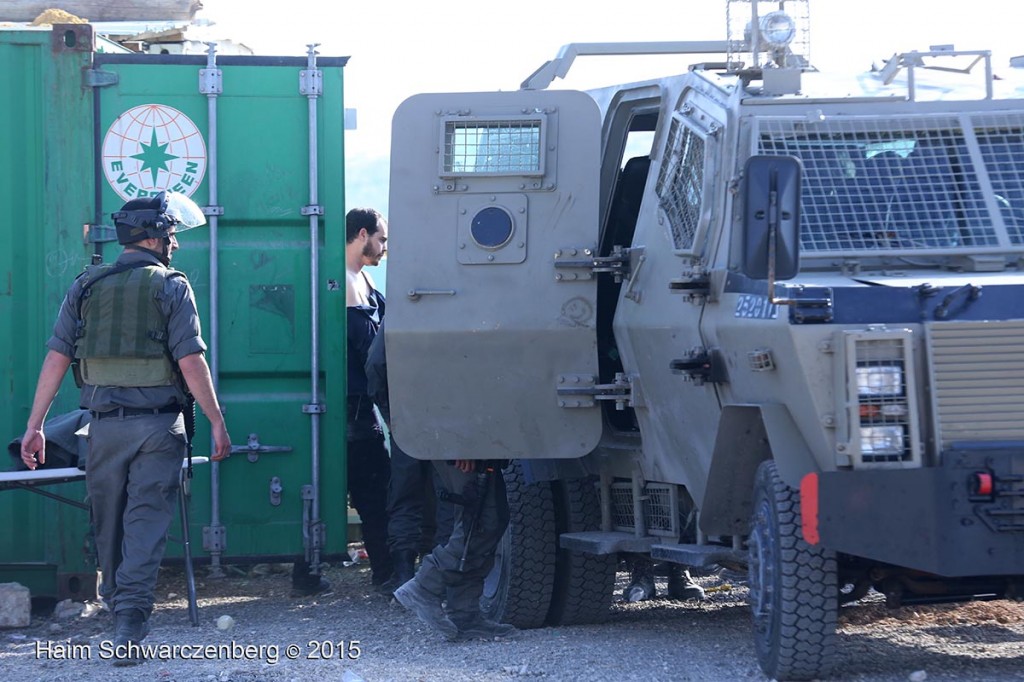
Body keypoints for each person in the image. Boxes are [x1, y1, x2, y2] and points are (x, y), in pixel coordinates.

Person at [19, 191, 232, 666]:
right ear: (153, 236)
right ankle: (129, 623)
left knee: (108, 527)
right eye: (171, 233)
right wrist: (217, 421)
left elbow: (57, 357)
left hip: (102, 430)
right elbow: (191, 361)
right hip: (158, 428)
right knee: (144, 527)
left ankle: (124, 613)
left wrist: (35, 426)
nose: (175, 242)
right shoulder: (172, 286)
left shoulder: (86, 286)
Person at [365, 320, 455, 597]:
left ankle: (404, 576)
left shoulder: (401, 309)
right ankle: (441, 579)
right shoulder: (460, 305)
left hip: (408, 417)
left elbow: (375, 364)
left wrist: (390, 413)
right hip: (450, 419)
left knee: (405, 496)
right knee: (449, 497)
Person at [393, 458, 518, 641]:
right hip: (460, 442)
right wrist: (460, 448)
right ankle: (424, 587)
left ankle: (465, 615)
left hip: (469, 442)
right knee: (480, 521)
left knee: (487, 518)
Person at [341, 207, 393, 588]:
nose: (384, 249)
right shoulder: (343, 283)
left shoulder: (363, 281)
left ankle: (305, 572)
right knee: (375, 492)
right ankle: (387, 573)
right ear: (362, 234)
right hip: (355, 407)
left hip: (359, 404)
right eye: (382, 239)